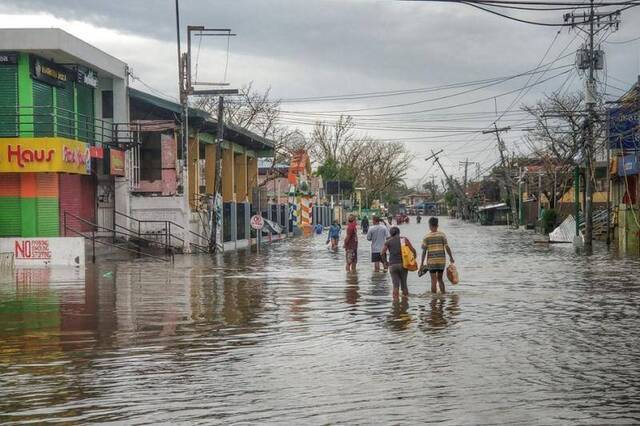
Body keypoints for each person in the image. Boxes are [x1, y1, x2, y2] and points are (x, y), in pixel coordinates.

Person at [420, 217, 454, 294]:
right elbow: (447, 247)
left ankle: (434, 299)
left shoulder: (426, 237)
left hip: (431, 262)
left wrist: (421, 263)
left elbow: (424, 251)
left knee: (433, 280)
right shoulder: (442, 235)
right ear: (437, 225)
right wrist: (451, 257)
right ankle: (443, 296)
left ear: (429, 225)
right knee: (440, 279)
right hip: (441, 261)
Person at [381, 226, 417, 299]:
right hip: (403, 265)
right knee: (404, 285)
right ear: (398, 232)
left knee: (395, 285)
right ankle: (405, 302)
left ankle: (395, 304)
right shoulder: (404, 240)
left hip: (392, 265)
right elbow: (413, 250)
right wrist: (413, 259)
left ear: (391, 234)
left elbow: (382, 253)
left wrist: (385, 262)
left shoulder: (388, 241)